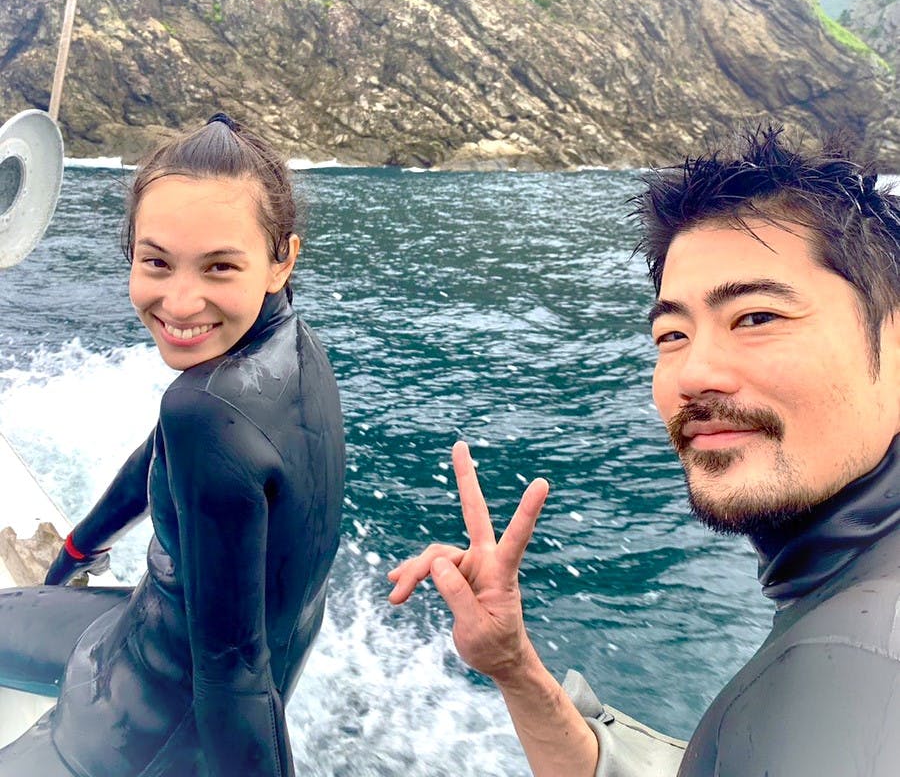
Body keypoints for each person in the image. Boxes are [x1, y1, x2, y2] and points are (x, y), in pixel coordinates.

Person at [388, 124, 900, 776]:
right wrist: (512, 665)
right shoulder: (844, 613)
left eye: (757, 317)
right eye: (672, 335)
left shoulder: (847, 670)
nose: (693, 374)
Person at [0, 114, 346, 777]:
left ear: (282, 260)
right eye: (157, 262)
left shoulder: (206, 410)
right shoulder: (291, 351)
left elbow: (235, 676)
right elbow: (154, 458)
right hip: (139, 636)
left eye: (220, 266)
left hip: (136, 733)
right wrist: (82, 545)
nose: (181, 303)